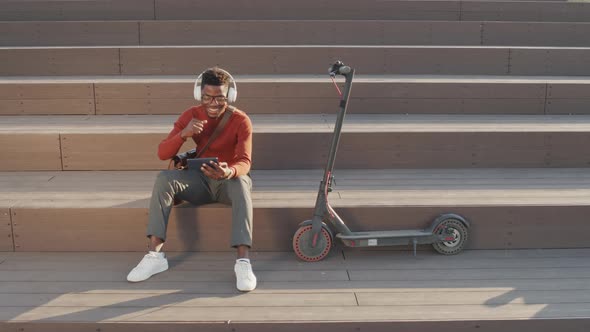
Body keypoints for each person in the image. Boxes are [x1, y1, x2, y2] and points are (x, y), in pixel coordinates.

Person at [126, 67, 256, 292]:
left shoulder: (240, 120)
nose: (214, 103)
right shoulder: (190, 116)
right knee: (164, 179)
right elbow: (162, 153)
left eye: (220, 98)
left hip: (228, 182)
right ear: (199, 95)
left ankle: (243, 262)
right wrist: (183, 134)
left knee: (242, 182)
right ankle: (154, 257)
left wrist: (229, 172)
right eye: (207, 97)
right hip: (200, 180)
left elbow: (245, 161)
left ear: (230, 96)